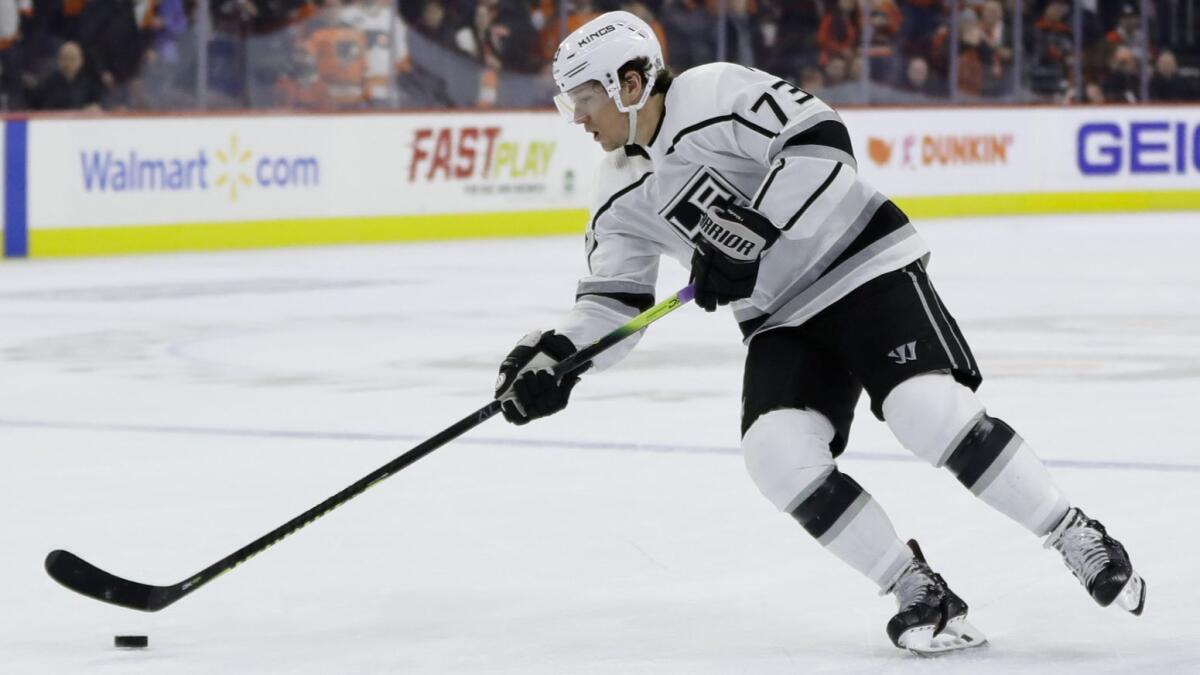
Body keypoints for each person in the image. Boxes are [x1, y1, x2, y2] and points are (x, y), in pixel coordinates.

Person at [492, 11, 1148, 655]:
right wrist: (557, 356)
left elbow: (821, 139)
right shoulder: (618, 192)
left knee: (924, 411)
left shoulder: (712, 92)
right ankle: (917, 588)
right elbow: (614, 301)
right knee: (776, 453)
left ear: (629, 84)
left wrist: (752, 231)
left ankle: (1074, 533)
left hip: (863, 266)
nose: (576, 117)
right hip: (781, 318)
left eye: (582, 99)